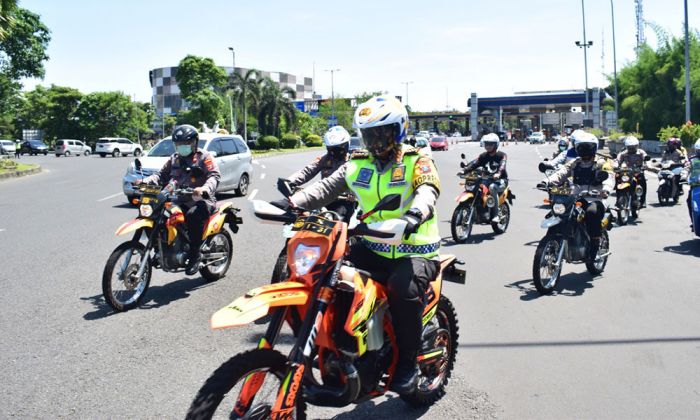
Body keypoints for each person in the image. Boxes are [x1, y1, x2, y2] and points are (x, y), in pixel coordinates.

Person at [271, 95, 441, 395]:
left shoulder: (417, 160)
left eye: (381, 132)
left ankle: (408, 364)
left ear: (398, 130)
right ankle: (344, 347)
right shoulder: (357, 163)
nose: (374, 140)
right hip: (371, 244)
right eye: (368, 133)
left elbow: (427, 190)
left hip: (413, 248)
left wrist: (414, 216)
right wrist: (291, 204)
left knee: (404, 288)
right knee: (327, 276)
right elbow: (325, 188)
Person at [137, 125, 221, 275]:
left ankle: (195, 255)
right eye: (178, 144)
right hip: (179, 199)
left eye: (185, 144)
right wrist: (146, 182)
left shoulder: (204, 157)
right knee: (157, 215)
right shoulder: (174, 158)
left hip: (201, 201)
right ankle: (161, 249)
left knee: (192, 215)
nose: (181, 147)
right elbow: (161, 175)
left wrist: (204, 189)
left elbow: (214, 176)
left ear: (194, 142)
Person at [548, 132, 614, 260]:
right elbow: (561, 173)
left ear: (593, 148)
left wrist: (605, 189)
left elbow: (609, 176)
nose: (584, 151)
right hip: (575, 197)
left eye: (587, 148)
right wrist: (547, 182)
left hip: (595, 198)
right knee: (558, 212)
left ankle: (594, 243)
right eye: (581, 148)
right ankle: (551, 245)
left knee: (592, 212)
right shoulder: (574, 163)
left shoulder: (601, 162)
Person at [280, 126, 356, 222]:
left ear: (347, 145)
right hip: (322, 198)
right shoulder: (325, 159)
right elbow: (307, 171)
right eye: (331, 149)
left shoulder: (354, 161)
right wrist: (290, 181)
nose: (335, 152)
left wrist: (354, 195)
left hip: (344, 201)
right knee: (301, 219)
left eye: (339, 148)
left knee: (338, 223)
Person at [462, 133, 509, 222]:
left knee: (492, 187)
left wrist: (498, 173)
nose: (488, 146)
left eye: (490, 144)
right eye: (486, 144)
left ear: (496, 145)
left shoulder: (501, 155)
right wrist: (464, 170)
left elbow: (502, 165)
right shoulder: (483, 156)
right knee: (476, 188)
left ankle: (496, 215)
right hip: (486, 179)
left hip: (501, 180)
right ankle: (477, 212)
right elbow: (475, 163)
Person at [614, 136, 648, 207]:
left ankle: (643, 200)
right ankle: (618, 199)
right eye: (629, 147)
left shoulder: (641, 152)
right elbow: (618, 160)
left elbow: (646, 157)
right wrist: (616, 165)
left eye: (633, 147)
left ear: (637, 146)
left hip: (638, 171)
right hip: (627, 171)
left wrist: (646, 165)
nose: (631, 149)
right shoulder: (623, 153)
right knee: (617, 178)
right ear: (626, 147)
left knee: (642, 182)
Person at [688, 139, 700, 230]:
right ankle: (693, 221)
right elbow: (687, 169)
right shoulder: (692, 160)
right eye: (698, 151)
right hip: (695, 186)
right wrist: (684, 174)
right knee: (689, 201)